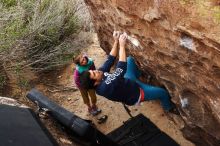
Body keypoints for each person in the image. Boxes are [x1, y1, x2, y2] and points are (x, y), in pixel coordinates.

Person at [80, 31, 179, 115]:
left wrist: (115, 41)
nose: (96, 71)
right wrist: (122, 46)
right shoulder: (105, 88)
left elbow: (110, 60)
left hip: (129, 81)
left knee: (130, 60)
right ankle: (168, 108)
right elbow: (120, 68)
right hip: (136, 94)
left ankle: (140, 76)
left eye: (92, 70)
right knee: (163, 93)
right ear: (95, 83)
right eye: (94, 74)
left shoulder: (100, 74)